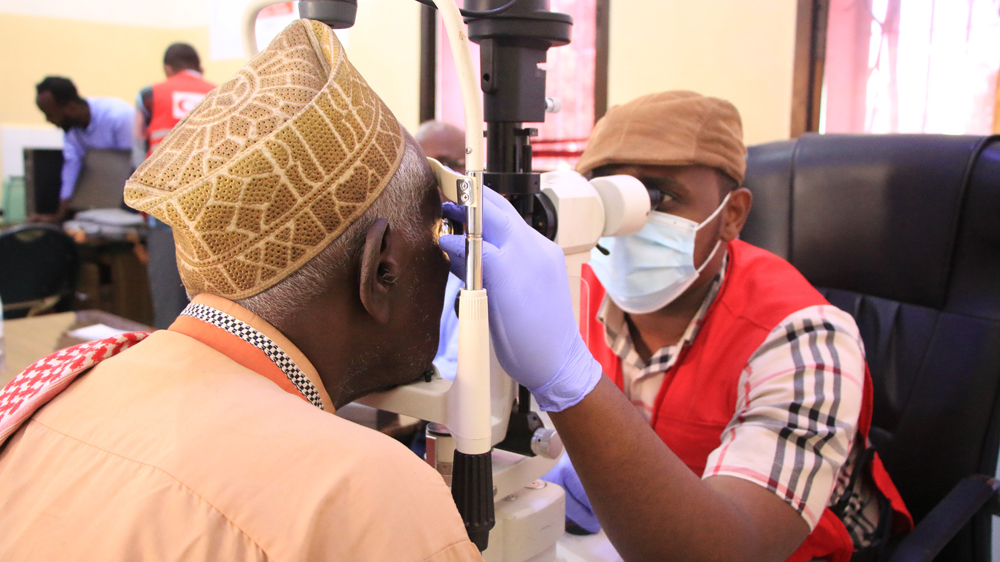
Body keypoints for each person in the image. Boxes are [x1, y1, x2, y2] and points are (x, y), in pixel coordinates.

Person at [0, 21, 480, 561]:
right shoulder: (368, 497)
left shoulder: (54, 392)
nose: (448, 260)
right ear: (382, 271)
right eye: (439, 231)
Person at [438, 91, 911, 562]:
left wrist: (571, 381)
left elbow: (735, 550)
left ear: (732, 214)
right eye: (610, 197)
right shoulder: (572, 289)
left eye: (658, 197)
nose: (630, 222)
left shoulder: (805, 337)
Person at [135, 43, 217, 329]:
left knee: (169, 301)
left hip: (164, 207)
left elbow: (137, 154)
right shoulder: (222, 92)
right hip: (212, 208)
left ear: (168, 68)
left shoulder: (150, 95)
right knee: (212, 302)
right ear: (199, 67)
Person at [33, 76, 133, 222]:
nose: (48, 120)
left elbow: (131, 165)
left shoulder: (119, 116)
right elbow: (71, 168)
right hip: (107, 197)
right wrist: (59, 216)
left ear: (71, 108)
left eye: (50, 114)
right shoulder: (71, 128)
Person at [416, 120, 466, 380]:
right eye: (424, 168)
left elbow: (460, 371)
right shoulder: (397, 251)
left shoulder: (477, 261)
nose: (434, 180)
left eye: (447, 165)